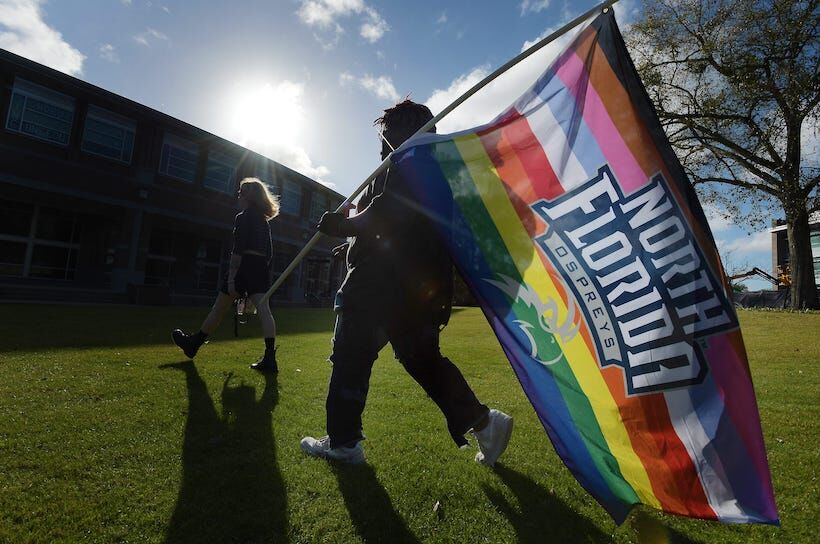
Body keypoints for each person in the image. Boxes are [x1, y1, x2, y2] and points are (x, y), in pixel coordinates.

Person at [300, 100, 513, 465]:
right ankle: (484, 422)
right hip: (416, 289)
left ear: (403, 131)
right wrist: (350, 242)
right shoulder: (428, 168)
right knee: (422, 360)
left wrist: (345, 226)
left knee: (350, 356)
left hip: (379, 287)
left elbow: (388, 213)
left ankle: (344, 443)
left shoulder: (412, 161)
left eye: (386, 136)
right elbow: (396, 227)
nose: (381, 145)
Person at [172, 177, 280, 372]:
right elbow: (270, 254)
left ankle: (193, 344)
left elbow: (237, 250)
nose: (238, 194)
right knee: (265, 312)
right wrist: (257, 275)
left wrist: (232, 279)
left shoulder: (243, 217)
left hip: (244, 266)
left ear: (249, 196)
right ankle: (270, 357)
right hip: (260, 268)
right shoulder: (265, 222)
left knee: (219, 309)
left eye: (241, 191)